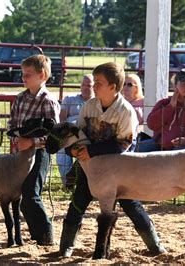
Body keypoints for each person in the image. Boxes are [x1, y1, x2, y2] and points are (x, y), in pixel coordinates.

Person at [59, 62, 166, 257]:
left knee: (131, 204)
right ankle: (66, 245)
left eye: (99, 82)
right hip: (91, 168)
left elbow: (123, 144)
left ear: (113, 87)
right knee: (79, 199)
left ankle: (154, 245)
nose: (94, 86)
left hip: (120, 171)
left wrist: (91, 151)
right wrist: (74, 151)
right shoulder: (89, 107)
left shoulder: (125, 111)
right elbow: (77, 135)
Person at [8, 54, 60, 245]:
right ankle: (38, 235)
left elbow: (54, 134)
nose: (24, 78)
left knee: (31, 192)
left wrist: (31, 142)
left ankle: (46, 233)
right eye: (23, 74)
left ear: (42, 75)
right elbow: (11, 124)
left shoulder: (48, 101)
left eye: (28, 74)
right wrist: (16, 138)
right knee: (22, 193)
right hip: (21, 153)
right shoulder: (20, 98)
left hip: (40, 152)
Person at [137, 68, 185, 152]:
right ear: (175, 85)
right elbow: (151, 124)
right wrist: (170, 107)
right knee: (136, 150)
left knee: (177, 154)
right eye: (184, 84)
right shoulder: (164, 103)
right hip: (160, 145)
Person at [56, 74, 94, 187]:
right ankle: (67, 180)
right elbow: (62, 118)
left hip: (87, 136)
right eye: (84, 85)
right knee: (62, 148)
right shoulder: (70, 99)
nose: (86, 87)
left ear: (94, 87)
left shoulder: (96, 102)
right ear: (80, 86)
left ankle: (84, 181)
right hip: (68, 133)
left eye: (89, 85)